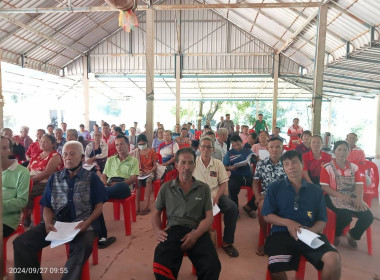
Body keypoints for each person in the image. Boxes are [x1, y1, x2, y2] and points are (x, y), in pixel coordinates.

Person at [13, 141, 107, 280]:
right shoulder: (54, 178)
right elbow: (47, 206)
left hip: (82, 225)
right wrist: (47, 223)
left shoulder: (92, 178)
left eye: (72, 154)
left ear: (82, 157)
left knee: (82, 247)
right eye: (65, 154)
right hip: (57, 224)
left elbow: (99, 207)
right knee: (21, 242)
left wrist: (87, 223)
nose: (67, 157)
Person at [262, 150, 341, 280]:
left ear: (302, 164)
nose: (291, 167)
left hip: (309, 235)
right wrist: (288, 222)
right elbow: (267, 215)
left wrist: (311, 231)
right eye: (286, 164)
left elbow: (322, 220)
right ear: (283, 168)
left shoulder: (315, 191)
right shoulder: (274, 187)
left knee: (334, 260)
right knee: (275, 269)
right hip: (281, 234)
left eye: (294, 163)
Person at [152, 147, 221, 280]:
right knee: (161, 264)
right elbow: (156, 213)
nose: (186, 167)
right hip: (173, 230)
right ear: (176, 165)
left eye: (190, 163)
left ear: (194, 166)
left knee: (212, 266)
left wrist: (195, 234)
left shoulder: (204, 188)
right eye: (183, 163)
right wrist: (157, 230)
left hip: (197, 230)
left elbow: (208, 218)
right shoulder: (166, 188)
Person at [320, 141, 373, 249]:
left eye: (345, 150)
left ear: (349, 152)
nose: (342, 152)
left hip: (352, 197)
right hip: (332, 197)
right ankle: (337, 233)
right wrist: (343, 197)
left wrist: (359, 199)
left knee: (368, 216)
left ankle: (353, 235)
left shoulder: (354, 167)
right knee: (345, 216)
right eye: (339, 149)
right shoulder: (327, 167)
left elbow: (359, 184)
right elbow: (325, 187)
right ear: (334, 151)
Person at [193, 137, 239, 257]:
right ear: (199, 148)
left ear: (213, 150)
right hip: (198, 197)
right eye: (203, 146)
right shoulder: (193, 163)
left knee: (232, 208)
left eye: (209, 147)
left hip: (215, 195)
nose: (205, 149)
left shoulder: (218, 163)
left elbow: (223, 183)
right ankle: (195, 238)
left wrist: (217, 197)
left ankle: (227, 242)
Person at [99, 135, 139, 247]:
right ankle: (102, 237)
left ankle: (101, 193)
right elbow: (104, 174)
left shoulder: (133, 160)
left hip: (124, 187)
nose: (119, 147)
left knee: (99, 196)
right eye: (116, 144)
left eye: (121, 144)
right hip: (109, 186)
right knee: (96, 200)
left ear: (127, 145)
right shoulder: (111, 159)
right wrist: (105, 183)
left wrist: (120, 184)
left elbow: (134, 178)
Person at [252, 137, 286, 256]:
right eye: (271, 147)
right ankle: (267, 238)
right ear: (267, 148)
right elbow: (256, 181)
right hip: (267, 195)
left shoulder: (287, 163)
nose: (275, 150)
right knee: (261, 207)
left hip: (285, 196)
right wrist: (257, 196)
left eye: (278, 147)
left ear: (282, 149)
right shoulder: (261, 163)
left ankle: (281, 238)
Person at [24, 134, 63, 227]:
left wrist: (30, 180)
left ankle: (27, 216)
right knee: (18, 188)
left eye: (46, 141)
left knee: (25, 191)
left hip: (46, 182)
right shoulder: (37, 155)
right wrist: (24, 179)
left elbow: (47, 173)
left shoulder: (55, 156)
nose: (42, 143)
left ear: (53, 144)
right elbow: (27, 169)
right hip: (32, 180)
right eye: (41, 141)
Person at [1, 136, 30, 238]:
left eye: (4, 148)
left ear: (10, 151)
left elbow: (22, 201)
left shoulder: (22, 172)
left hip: (7, 221)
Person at [223, 134, 257, 218]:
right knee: (232, 187)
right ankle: (235, 209)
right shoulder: (229, 153)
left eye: (238, 144)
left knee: (259, 187)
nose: (236, 147)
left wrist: (256, 158)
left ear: (242, 142)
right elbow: (224, 166)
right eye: (234, 145)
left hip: (248, 175)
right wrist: (231, 168)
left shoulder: (248, 150)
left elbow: (255, 161)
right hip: (236, 175)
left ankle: (249, 207)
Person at [130, 134, 158, 215]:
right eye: (140, 144)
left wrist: (150, 171)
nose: (142, 146)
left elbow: (155, 166)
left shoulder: (152, 152)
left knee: (148, 182)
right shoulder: (137, 152)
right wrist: (139, 171)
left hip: (150, 172)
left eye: (143, 144)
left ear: (146, 142)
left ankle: (146, 206)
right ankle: (137, 207)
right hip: (141, 173)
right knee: (137, 185)